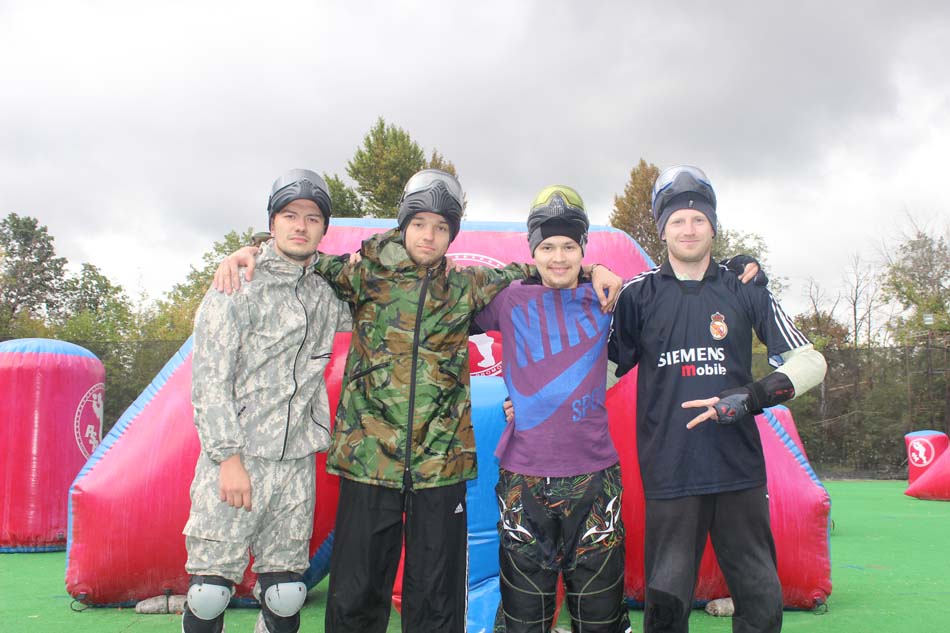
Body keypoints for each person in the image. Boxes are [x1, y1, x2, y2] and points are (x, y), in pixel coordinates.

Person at [213, 169, 624, 633]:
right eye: (420, 224)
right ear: (404, 224)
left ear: (452, 234)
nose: (429, 235)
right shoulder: (363, 273)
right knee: (357, 595)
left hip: (441, 466)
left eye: (441, 227)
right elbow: (301, 252)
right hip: (368, 461)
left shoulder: (467, 285)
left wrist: (594, 269)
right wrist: (252, 248)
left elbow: (540, 267)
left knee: (435, 599)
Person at [608, 165, 828, 633]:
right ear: (661, 229)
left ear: (713, 226)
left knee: (760, 596)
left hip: (737, 469)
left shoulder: (744, 288)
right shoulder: (637, 295)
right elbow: (603, 372)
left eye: (699, 219)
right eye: (677, 220)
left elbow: (811, 362)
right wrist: (535, 402)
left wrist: (750, 397)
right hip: (670, 470)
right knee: (666, 605)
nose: (688, 229)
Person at [183, 169, 352, 633]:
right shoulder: (238, 284)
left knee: (286, 591)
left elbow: (383, 297)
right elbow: (209, 380)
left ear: (324, 228)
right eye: (290, 215)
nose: (301, 226)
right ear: (272, 222)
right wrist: (228, 459)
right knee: (209, 592)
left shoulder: (327, 291)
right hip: (238, 458)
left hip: (295, 464)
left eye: (312, 218)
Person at [473, 186, 632, 633]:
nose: (558, 257)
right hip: (523, 478)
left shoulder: (607, 296)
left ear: (583, 249)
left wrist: (742, 272)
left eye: (569, 247)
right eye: (547, 247)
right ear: (533, 251)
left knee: (600, 618)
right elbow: (442, 301)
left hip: (594, 478)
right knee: (523, 619)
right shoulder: (509, 298)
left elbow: (667, 288)